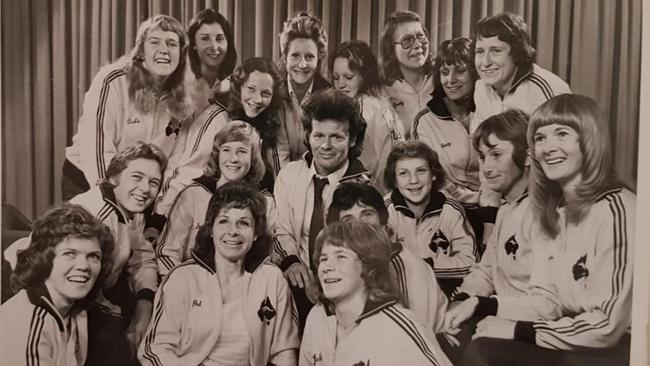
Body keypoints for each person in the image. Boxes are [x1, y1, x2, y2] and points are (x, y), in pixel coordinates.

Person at [453, 95, 634, 366]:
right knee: (477, 345)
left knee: (484, 351)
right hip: (572, 335)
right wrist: (480, 304)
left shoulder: (617, 209)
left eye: (562, 134)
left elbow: (606, 326)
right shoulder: (556, 212)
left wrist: (518, 330)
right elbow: (546, 301)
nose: (548, 148)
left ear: (589, 139)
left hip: (618, 347)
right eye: (540, 138)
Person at [6, 141, 167, 364]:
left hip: (81, 295)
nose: (145, 188)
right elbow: (69, 273)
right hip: (31, 285)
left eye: (154, 182)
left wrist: (145, 302)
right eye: (137, 177)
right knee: (116, 344)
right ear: (114, 177)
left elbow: (143, 258)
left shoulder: (132, 211)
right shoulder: (95, 213)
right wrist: (118, 316)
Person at [139, 183, 299, 366]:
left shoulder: (272, 278)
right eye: (224, 221)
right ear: (211, 230)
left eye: (244, 223)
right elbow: (155, 350)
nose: (233, 231)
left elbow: (284, 351)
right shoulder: (182, 278)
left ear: (255, 234)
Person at [437, 109, 533, 363]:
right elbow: (486, 270)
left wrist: (485, 309)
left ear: (526, 156)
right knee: (434, 340)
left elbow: (547, 301)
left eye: (496, 155)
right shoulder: (506, 208)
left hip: (527, 328)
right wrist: (461, 300)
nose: (486, 168)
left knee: (476, 354)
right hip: (495, 314)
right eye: (482, 157)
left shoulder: (545, 213)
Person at [63, 15, 191, 201]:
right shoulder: (112, 80)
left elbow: (174, 160)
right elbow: (96, 147)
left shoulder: (183, 98)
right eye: (154, 42)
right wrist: (109, 197)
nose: (164, 50)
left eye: (172, 44)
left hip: (139, 189)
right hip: (89, 179)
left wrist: (162, 203)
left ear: (181, 54)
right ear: (140, 51)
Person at [273, 89, 369, 330]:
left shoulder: (364, 188)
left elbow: (361, 253)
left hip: (343, 285)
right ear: (308, 135)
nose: (325, 146)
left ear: (352, 139)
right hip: (298, 280)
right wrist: (292, 262)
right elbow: (282, 230)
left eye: (336, 137)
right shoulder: (289, 175)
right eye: (319, 136)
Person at [299, 221, 453, 366]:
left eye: (341, 257)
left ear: (368, 265)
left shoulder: (397, 327)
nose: (327, 267)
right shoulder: (321, 322)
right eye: (323, 259)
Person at [156, 121, 277, 278]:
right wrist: (185, 286)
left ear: (253, 158)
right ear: (217, 154)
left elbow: (269, 257)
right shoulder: (192, 195)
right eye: (226, 150)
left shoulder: (266, 202)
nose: (233, 159)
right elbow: (167, 253)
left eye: (242, 151)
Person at [2, 204, 115, 366]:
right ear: (44, 259)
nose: (83, 266)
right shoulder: (27, 325)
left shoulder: (74, 310)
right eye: (70, 254)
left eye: (93, 256)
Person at [326, 182, 448, 333]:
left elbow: (419, 336)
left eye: (367, 215)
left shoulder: (411, 268)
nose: (360, 226)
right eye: (349, 221)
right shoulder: (339, 271)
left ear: (383, 222)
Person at [384, 140, 476, 296]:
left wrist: (427, 265)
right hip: (399, 294)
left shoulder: (450, 209)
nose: (413, 180)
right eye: (403, 173)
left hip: (445, 294)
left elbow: (471, 263)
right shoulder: (386, 210)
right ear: (394, 180)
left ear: (433, 174)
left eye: (421, 171)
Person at [471, 12, 571, 132]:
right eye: (479, 52)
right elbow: (479, 144)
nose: (485, 62)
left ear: (516, 53)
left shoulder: (543, 89)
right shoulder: (481, 87)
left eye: (496, 51)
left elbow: (556, 147)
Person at [330, 40, 405, 193]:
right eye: (336, 77)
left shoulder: (366, 110)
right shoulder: (379, 102)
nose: (341, 84)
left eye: (348, 77)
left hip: (372, 191)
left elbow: (364, 165)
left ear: (364, 76)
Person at [413, 37, 481, 204]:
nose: (450, 80)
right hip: (448, 207)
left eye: (460, 70)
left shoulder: (490, 110)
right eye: (444, 72)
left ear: (474, 72)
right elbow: (430, 177)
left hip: (495, 205)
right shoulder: (425, 121)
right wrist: (473, 200)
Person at [229, 57, 294, 191]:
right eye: (251, 89)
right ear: (239, 87)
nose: (258, 100)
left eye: (266, 93)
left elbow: (280, 165)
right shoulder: (223, 115)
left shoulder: (274, 118)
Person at [278, 12, 332, 160]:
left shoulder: (329, 96)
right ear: (285, 57)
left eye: (309, 57)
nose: (302, 65)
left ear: (319, 57)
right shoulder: (272, 92)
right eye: (295, 56)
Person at [380, 10, 435, 137]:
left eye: (420, 36)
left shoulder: (443, 79)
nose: (417, 45)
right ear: (391, 49)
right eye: (406, 40)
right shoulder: (384, 91)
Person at [185, 8, 237, 113]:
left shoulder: (238, 87)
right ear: (194, 44)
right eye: (205, 39)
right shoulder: (181, 88)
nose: (214, 47)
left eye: (219, 39)